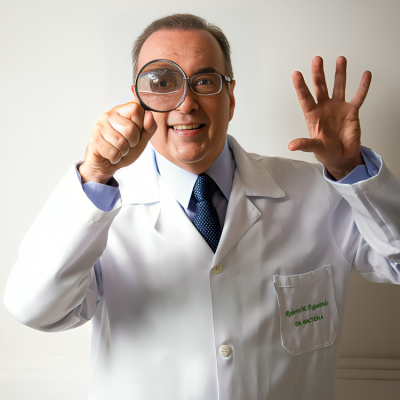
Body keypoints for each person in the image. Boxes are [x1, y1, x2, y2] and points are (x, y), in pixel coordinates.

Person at [4, 13, 400, 400]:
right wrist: (93, 175)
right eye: (163, 83)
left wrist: (351, 169)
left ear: (230, 97)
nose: (186, 103)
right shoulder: (101, 209)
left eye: (205, 81)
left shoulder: (320, 191)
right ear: (140, 101)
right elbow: (37, 309)